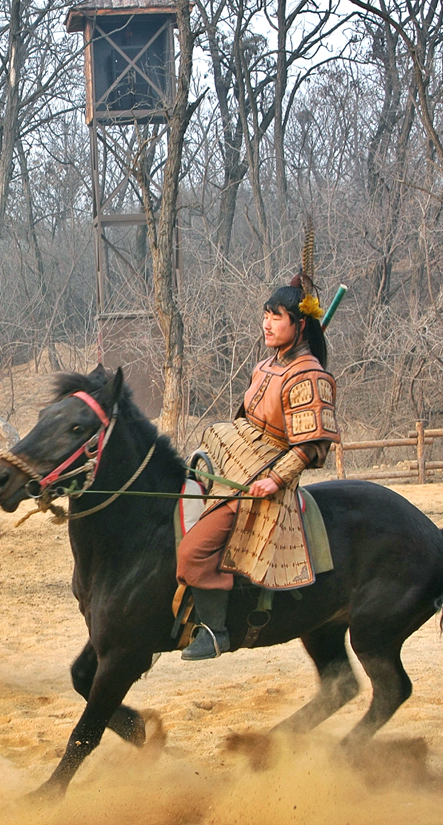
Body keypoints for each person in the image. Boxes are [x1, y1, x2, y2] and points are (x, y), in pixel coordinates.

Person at [177, 272, 340, 661]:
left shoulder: (311, 377)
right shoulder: (265, 366)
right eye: (265, 314)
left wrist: (273, 480)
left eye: (277, 316)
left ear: (299, 325)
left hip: (262, 478)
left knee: (193, 554)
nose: (266, 323)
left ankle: (216, 632)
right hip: (235, 460)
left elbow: (312, 445)